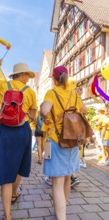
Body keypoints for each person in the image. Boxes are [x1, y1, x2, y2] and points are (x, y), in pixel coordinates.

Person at [0, 60, 37, 220]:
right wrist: (26, 116)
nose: (28, 78)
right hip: (22, 131)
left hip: (4, 130)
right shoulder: (31, 92)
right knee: (20, 164)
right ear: (23, 75)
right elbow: (33, 116)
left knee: (5, 171)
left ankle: (7, 215)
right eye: (27, 75)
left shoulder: (3, 85)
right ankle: (14, 192)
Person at [41, 65, 86, 220]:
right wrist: (77, 98)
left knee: (57, 182)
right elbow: (84, 111)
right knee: (67, 177)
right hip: (73, 139)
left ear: (54, 79)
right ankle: (62, 209)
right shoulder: (74, 94)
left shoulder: (51, 92)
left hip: (56, 139)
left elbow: (45, 110)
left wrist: (44, 112)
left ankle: (61, 216)